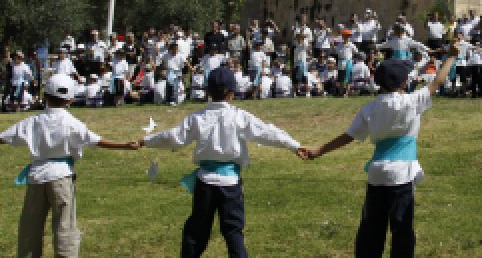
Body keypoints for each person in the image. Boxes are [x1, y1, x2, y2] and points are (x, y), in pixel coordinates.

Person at [302, 45, 460, 258]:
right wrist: (450, 57)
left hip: (377, 173)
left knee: (371, 229)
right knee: (402, 229)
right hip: (402, 173)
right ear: (404, 83)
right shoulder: (411, 102)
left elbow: (348, 136)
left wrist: (319, 150)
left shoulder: (369, 108)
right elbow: (438, 81)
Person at [140, 66, 306, 256]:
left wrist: (145, 141)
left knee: (196, 232)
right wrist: (294, 145)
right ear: (231, 93)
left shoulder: (199, 117)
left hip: (205, 184)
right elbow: (268, 133)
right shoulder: (238, 116)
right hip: (230, 185)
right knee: (233, 232)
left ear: (209, 92)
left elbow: (172, 137)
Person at [0, 74, 139, 257]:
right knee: (65, 226)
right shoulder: (72, 123)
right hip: (62, 177)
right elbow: (96, 141)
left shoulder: (32, 122)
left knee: (30, 227)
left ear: (45, 96)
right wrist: (125, 146)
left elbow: (3, 138)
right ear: (70, 100)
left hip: (36, 178)